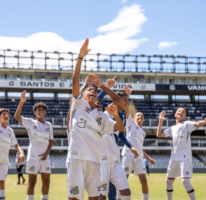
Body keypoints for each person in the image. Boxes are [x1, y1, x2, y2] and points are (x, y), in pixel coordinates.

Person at [67, 38, 125, 200]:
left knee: (96, 198)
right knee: (75, 198)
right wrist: (80, 57)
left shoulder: (102, 116)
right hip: (77, 159)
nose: (92, 92)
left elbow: (120, 129)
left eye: (95, 91)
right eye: (89, 90)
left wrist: (115, 115)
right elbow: (75, 81)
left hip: (95, 162)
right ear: (82, 95)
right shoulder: (78, 105)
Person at [97, 78, 139, 200]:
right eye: (125, 100)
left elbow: (120, 133)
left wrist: (131, 147)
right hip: (102, 157)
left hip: (114, 156)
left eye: (128, 101)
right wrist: (106, 87)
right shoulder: (107, 108)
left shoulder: (119, 115)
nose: (127, 103)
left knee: (123, 190)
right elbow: (96, 102)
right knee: (103, 193)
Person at [157, 108, 206, 200]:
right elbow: (159, 134)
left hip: (184, 158)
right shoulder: (172, 128)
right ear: (175, 114)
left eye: (183, 112)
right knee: (168, 182)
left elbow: (197, 123)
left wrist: (204, 121)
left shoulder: (187, 124)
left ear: (185, 116)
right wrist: (160, 121)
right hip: (174, 158)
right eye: (179, 111)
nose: (181, 112)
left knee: (185, 181)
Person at [14, 90, 54, 200]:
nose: (41, 111)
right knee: (32, 182)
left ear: (45, 112)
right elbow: (17, 117)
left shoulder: (49, 125)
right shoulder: (30, 122)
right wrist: (21, 102)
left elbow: (51, 141)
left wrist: (46, 154)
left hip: (45, 157)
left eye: (43, 110)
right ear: (34, 112)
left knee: (46, 182)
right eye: (38, 110)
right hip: (33, 156)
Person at [121, 103, 156, 200]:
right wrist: (126, 98)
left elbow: (140, 148)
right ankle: (118, 197)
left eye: (142, 116)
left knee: (143, 179)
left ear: (144, 119)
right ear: (134, 118)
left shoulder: (143, 132)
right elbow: (127, 110)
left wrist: (149, 158)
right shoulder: (130, 123)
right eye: (138, 115)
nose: (140, 116)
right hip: (128, 154)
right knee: (124, 179)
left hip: (139, 157)